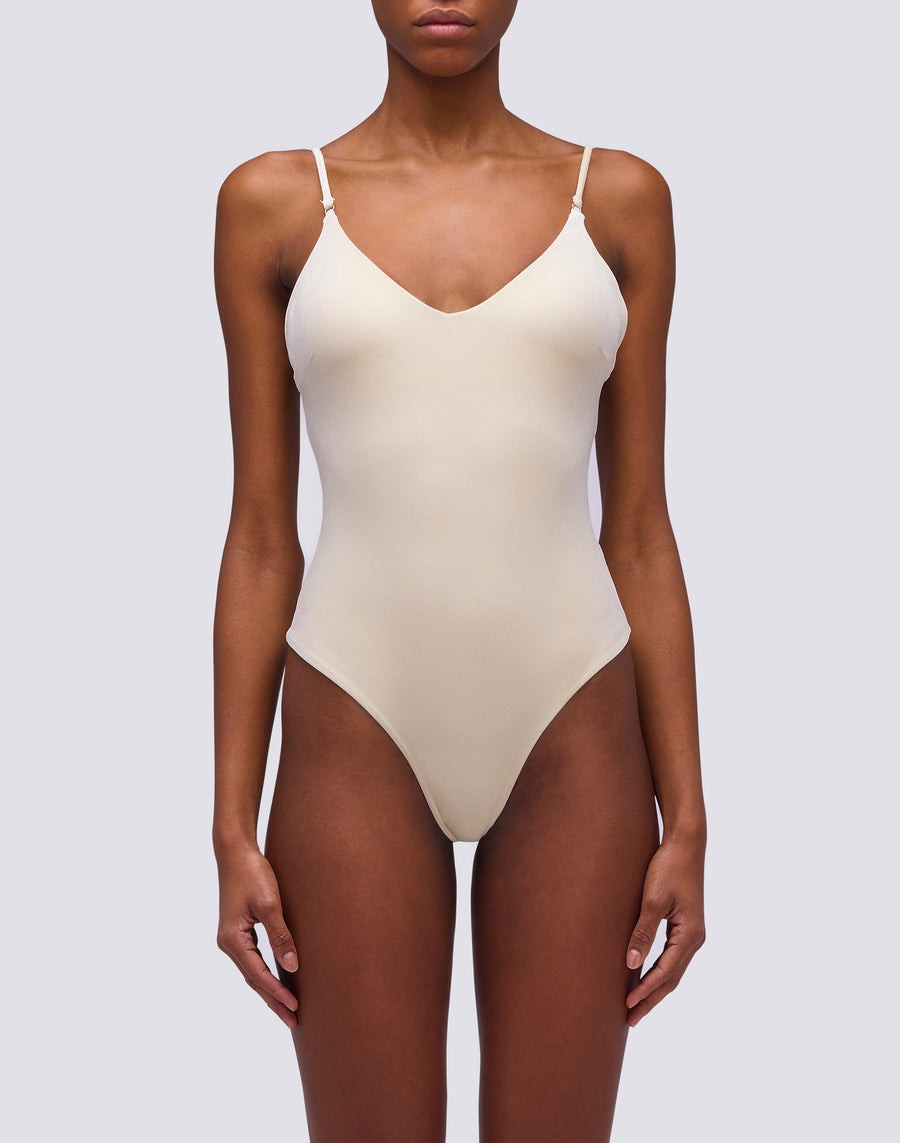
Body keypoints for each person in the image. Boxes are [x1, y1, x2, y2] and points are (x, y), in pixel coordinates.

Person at [212, 1, 707, 1138]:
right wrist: (231, 823)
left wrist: (688, 816)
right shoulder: (272, 203)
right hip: (352, 729)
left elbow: (639, 530)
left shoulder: (620, 199)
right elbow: (259, 536)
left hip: (575, 733)